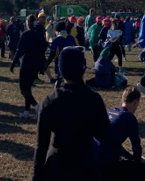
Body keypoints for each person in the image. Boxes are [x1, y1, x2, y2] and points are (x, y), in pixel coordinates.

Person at [33, 46, 111, 181]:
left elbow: (41, 145)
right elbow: (105, 137)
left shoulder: (50, 101)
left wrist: (36, 177)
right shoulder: (93, 99)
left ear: (61, 70)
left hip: (56, 167)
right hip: (86, 166)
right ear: (83, 69)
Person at [96, 87, 145, 181]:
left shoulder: (110, 112)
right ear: (135, 102)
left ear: (122, 101)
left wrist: (130, 157)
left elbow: (113, 144)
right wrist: (138, 161)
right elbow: (136, 146)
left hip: (92, 161)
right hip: (106, 165)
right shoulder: (129, 117)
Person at [11, 14, 48, 118]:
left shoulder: (25, 34)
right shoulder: (40, 34)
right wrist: (42, 65)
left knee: (23, 89)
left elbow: (19, 50)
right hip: (36, 64)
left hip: (27, 63)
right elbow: (43, 50)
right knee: (28, 88)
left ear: (27, 23)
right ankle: (26, 111)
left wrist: (13, 63)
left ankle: (36, 106)